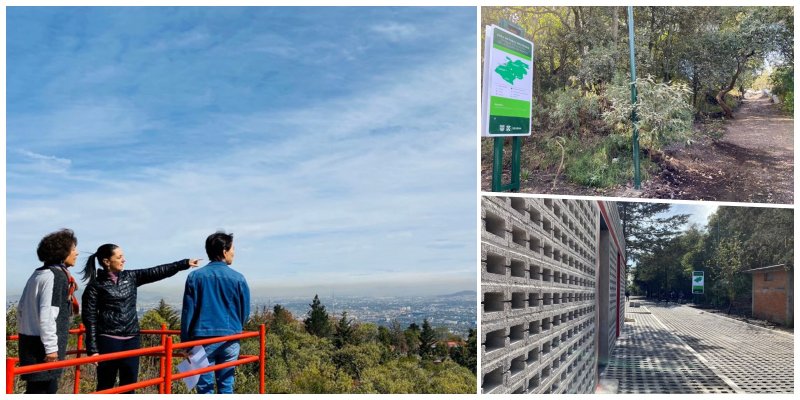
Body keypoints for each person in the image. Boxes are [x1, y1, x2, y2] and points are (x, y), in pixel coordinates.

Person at [81, 244, 200, 393]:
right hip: (108, 341)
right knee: (105, 386)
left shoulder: (131, 277)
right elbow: (89, 318)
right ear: (106, 261)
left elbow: (156, 271)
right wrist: (93, 349)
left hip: (132, 340)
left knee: (130, 386)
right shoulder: (95, 286)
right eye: (119, 257)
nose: (124, 260)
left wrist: (183, 264)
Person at [181, 231, 250, 394]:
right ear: (224, 251)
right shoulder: (238, 278)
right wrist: (236, 328)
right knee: (226, 386)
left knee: (205, 388)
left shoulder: (195, 277)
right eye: (232, 248)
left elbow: (187, 313)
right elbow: (245, 312)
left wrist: (185, 342)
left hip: (202, 340)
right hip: (230, 339)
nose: (234, 252)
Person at [17, 229, 80, 394]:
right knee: (46, 390)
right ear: (63, 252)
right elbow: (48, 314)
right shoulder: (57, 276)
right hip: (44, 349)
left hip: (29, 342)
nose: (76, 253)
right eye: (73, 249)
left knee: (35, 390)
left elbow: (21, 308)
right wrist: (51, 349)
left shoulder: (38, 273)